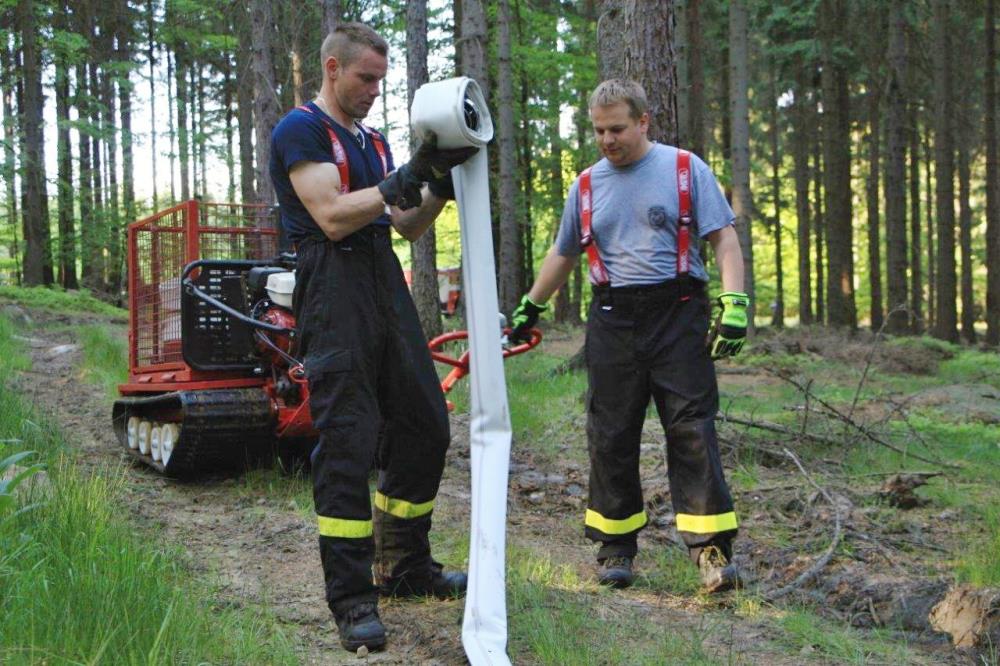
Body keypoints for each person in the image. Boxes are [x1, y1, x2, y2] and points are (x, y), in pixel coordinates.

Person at [269, 22, 477, 652]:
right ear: (332, 68)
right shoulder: (301, 129)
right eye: (365, 79)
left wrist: (437, 181)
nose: (373, 91)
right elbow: (331, 216)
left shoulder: (375, 141)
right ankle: (353, 599)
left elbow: (406, 225)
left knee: (424, 424)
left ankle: (405, 567)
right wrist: (393, 184)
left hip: (383, 280)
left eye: (381, 81)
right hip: (331, 286)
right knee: (348, 441)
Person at [510, 79, 749, 594]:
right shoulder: (587, 185)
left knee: (691, 427)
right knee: (611, 432)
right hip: (613, 316)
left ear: (643, 121)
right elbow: (564, 252)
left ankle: (711, 551)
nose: (607, 140)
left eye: (616, 128)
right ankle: (615, 549)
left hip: (679, 312)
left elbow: (724, 237)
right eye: (598, 130)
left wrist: (735, 305)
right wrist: (532, 305)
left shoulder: (684, 169)